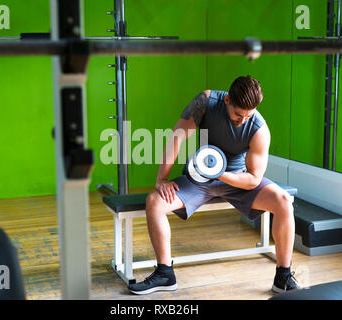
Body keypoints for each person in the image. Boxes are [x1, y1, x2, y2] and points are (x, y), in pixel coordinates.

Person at [128, 75, 299, 295]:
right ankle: (165, 274)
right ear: (227, 100)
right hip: (198, 179)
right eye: (238, 114)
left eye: (248, 115)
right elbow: (177, 136)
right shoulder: (207, 102)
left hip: (237, 180)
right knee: (154, 201)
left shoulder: (259, 129)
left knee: (284, 201)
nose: (242, 120)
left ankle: (283, 277)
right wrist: (162, 179)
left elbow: (253, 179)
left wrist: (220, 173)